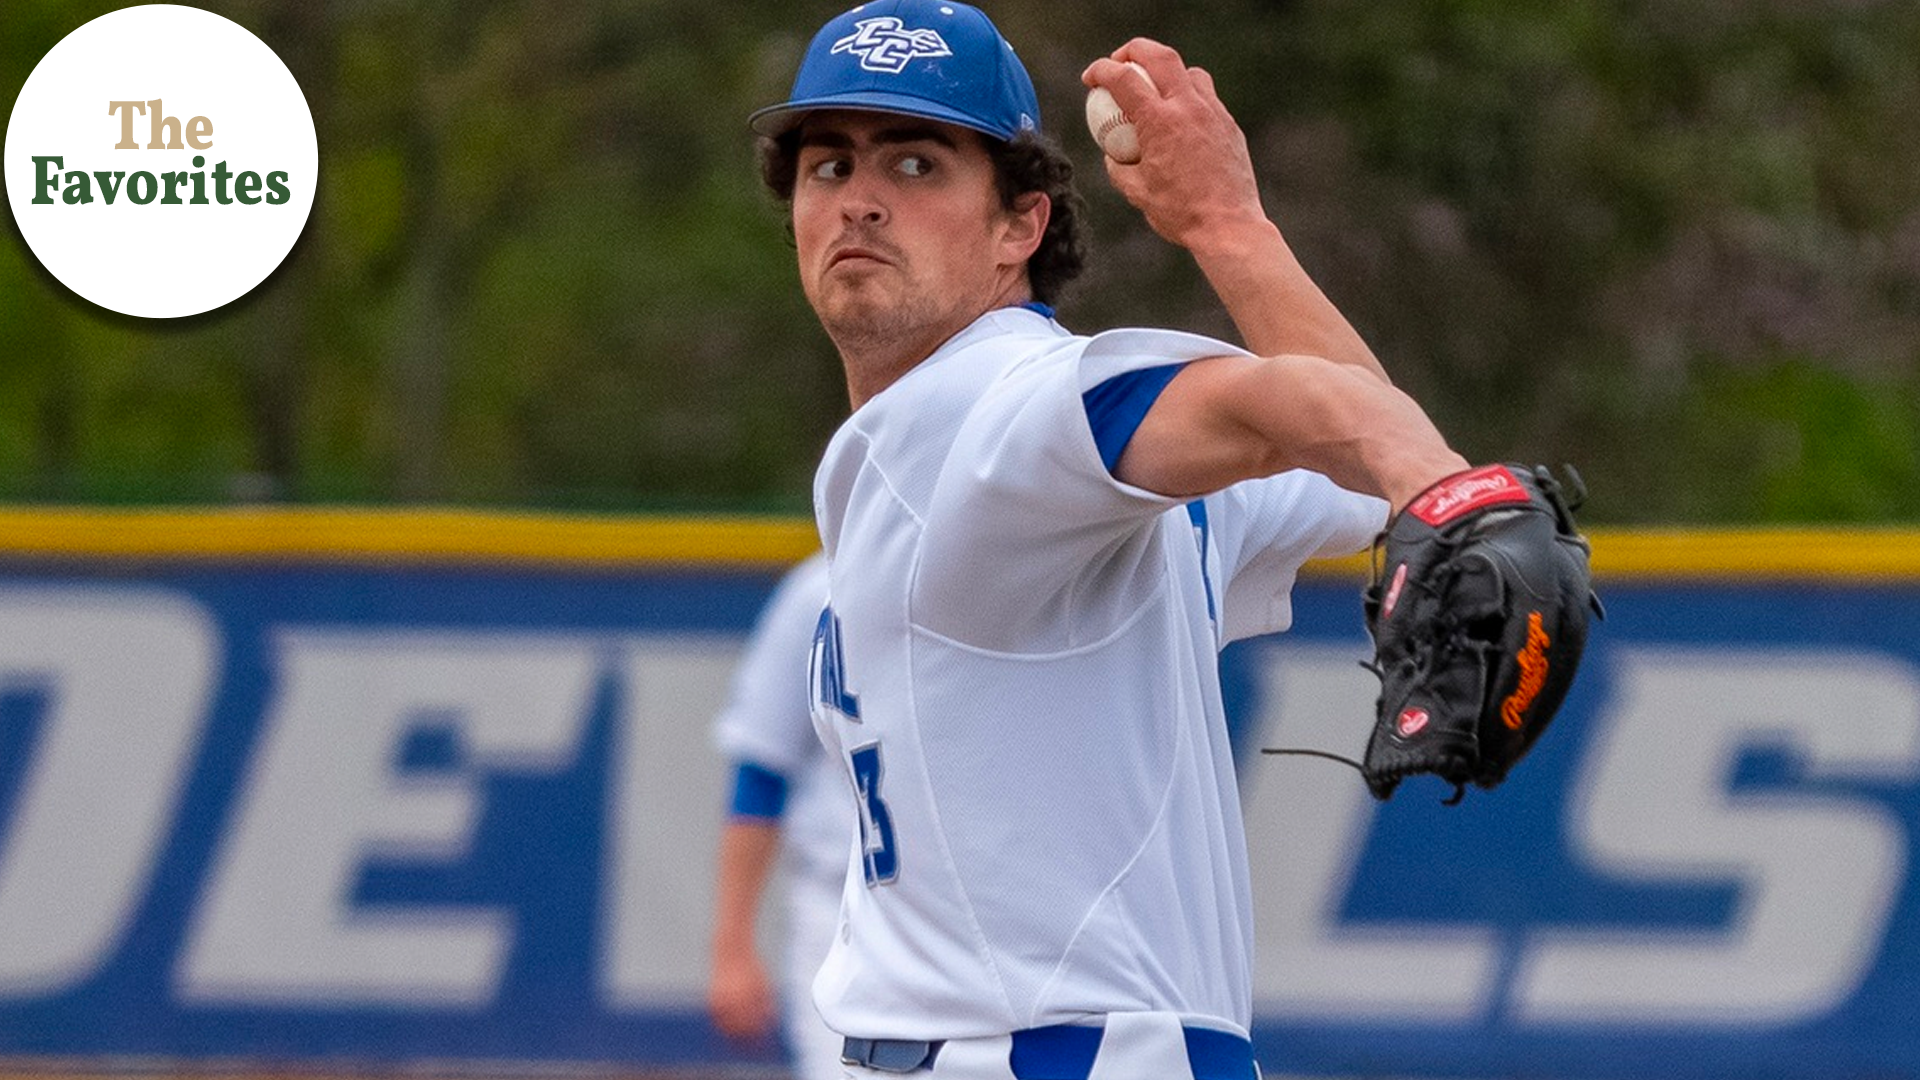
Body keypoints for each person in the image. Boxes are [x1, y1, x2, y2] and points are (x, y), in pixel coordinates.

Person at [748, 2, 1473, 1076]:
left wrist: (1430, 479)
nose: (858, 201)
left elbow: (1279, 409)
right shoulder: (999, 457)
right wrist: (1238, 233)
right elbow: (1355, 453)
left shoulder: (997, 404)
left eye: (915, 166)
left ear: (1019, 227)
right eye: (828, 167)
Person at [707, 551, 851, 1080]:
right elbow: (761, 774)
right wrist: (733, 947)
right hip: (841, 915)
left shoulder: (989, 571)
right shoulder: (816, 592)